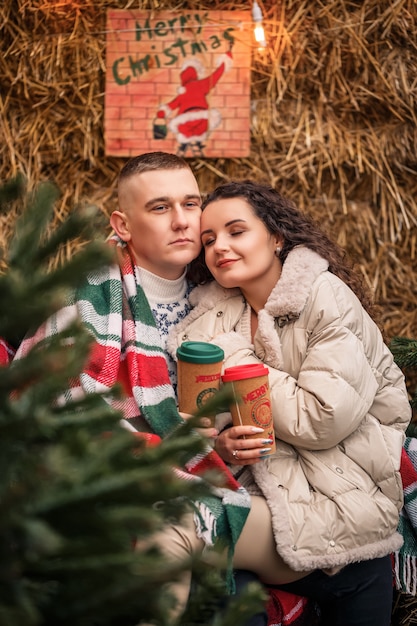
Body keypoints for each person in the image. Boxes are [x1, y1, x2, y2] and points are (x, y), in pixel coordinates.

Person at [14, 154, 308, 625]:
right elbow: (60, 418)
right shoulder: (91, 301)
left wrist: (224, 448)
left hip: (214, 473)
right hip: (134, 481)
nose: (181, 221)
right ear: (122, 225)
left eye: (191, 204)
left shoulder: (219, 289)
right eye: (159, 207)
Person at [167, 179, 412, 626]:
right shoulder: (208, 319)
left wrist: (236, 358)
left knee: (189, 530)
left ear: (276, 237)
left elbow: (324, 417)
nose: (219, 246)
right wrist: (221, 447)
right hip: (257, 495)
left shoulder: (326, 297)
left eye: (236, 231)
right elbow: (201, 420)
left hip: (340, 490)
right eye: (208, 239)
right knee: (225, 594)